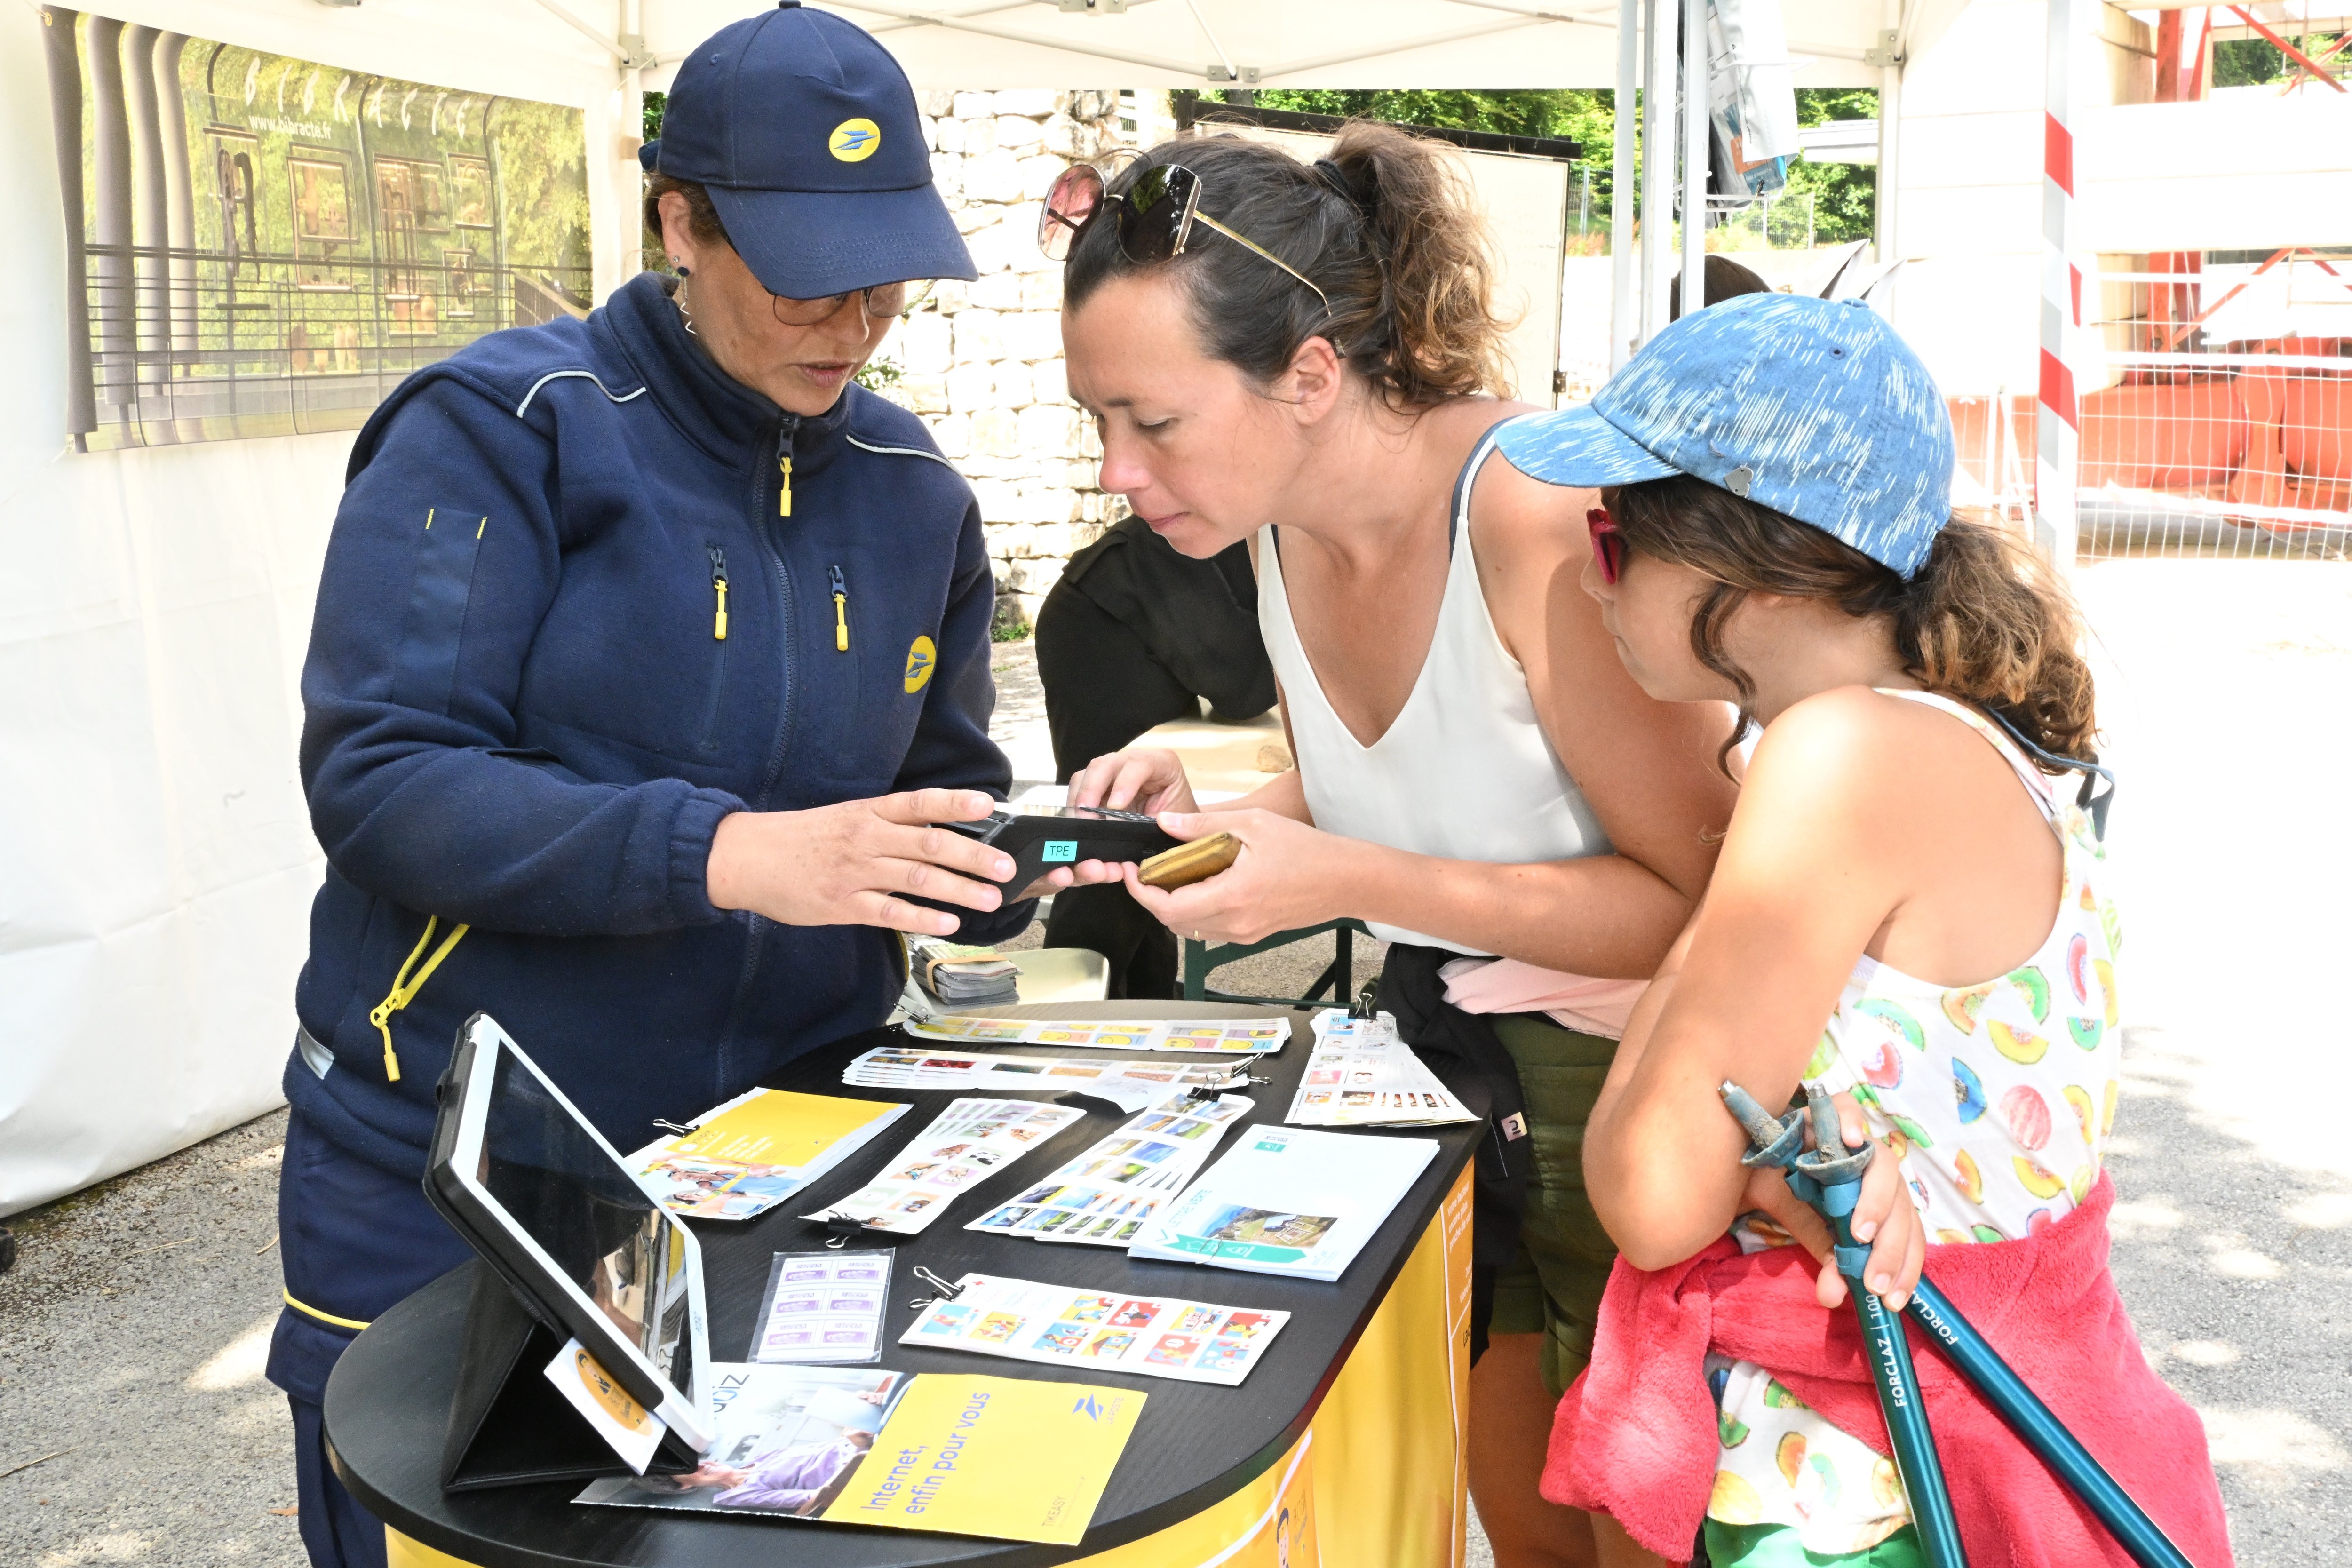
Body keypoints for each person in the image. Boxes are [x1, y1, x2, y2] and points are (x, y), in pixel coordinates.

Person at [265, 12, 1077, 1567]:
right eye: (804, 271)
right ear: (681, 222)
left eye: (889, 271)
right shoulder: (501, 429)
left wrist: (1024, 857)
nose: (857, 318)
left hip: (777, 1164)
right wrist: (724, 854)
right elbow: (382, 784)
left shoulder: (915, 492)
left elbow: (932, 801)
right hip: (458, 1174)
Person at [1039, 127, 1741, 1568]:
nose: (1115, 470)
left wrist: (1345, 879)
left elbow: (1702, 909)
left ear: (1307, 375)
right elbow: (1414, 775)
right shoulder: (1273, 522)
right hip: (1464, 1092)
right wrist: (1221, 802)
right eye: (1094, 420)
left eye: (1151, 421)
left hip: (1645, 1136)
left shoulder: (1532, 512)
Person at [1507, 294, 2232, 1568]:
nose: (1583, 572)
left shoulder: (1837, 760)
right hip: (1997, 1426)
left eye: (1615, 538)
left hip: (1870, 1484)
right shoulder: (1963, 740)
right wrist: (1757, 1155)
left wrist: (1731, 1147)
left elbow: (1648, 1191)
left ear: (1762, 563)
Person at [1034, 513, 1276, 996]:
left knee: (1144, 847)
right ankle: (1057, 1012)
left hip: (1125, 624)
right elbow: (1243, 689)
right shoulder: (1217, 518)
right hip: (1097, 628)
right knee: (1109, 839)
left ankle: (1147, 1001)